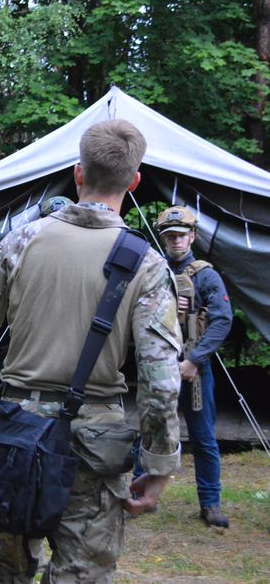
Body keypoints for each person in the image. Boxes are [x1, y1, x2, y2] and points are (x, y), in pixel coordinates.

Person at [0, 119, 181, 582]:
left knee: (10, 570)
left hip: (16, 434)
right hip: (93, 444)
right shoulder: (148, 265)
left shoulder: (22, 240)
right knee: (81, 573)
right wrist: (159, 465)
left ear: (78, 173)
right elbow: (161, 381)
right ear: (134, 182)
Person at [152, 205, 233, 527]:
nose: (175, 241)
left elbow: (221, 320)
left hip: (194, 367)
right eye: (170, 236)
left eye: (181, 235)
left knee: (203, 437)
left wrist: (195, 360)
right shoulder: (153, 271)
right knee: (152, 430)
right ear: (163, 239)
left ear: (192, 237)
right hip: (157, 362)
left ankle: (210, 503)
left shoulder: (206, 275)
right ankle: (141, 493)